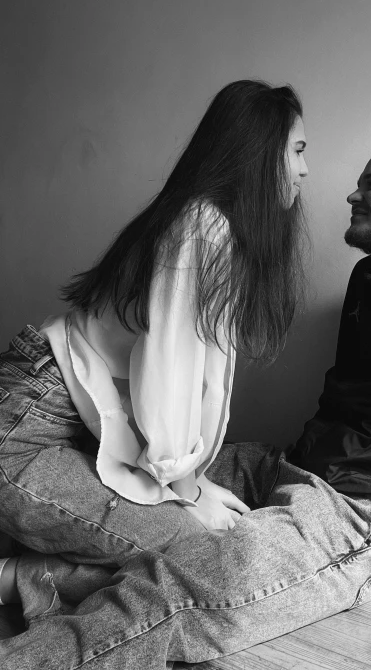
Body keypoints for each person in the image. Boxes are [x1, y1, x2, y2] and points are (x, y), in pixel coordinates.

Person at [1, 143, 371, 670]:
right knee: (132, 474)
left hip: (364, 509)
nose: (352, 195)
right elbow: (343, 396)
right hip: (291, 465)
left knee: (184, 588)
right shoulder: (368, 281)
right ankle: (27, 572)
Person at [0, 79, 308, 604]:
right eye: (298, 150)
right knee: (202, 556)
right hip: (24, 431)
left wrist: (191, 484)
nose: (304, 169)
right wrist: (185, 495)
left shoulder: (210, 226)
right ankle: (13, 579)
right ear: (259, 151)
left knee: (209, 549)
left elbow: (158, 385)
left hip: (70, 423)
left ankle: (18, 572)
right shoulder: (203, 227)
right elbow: (169, 386)